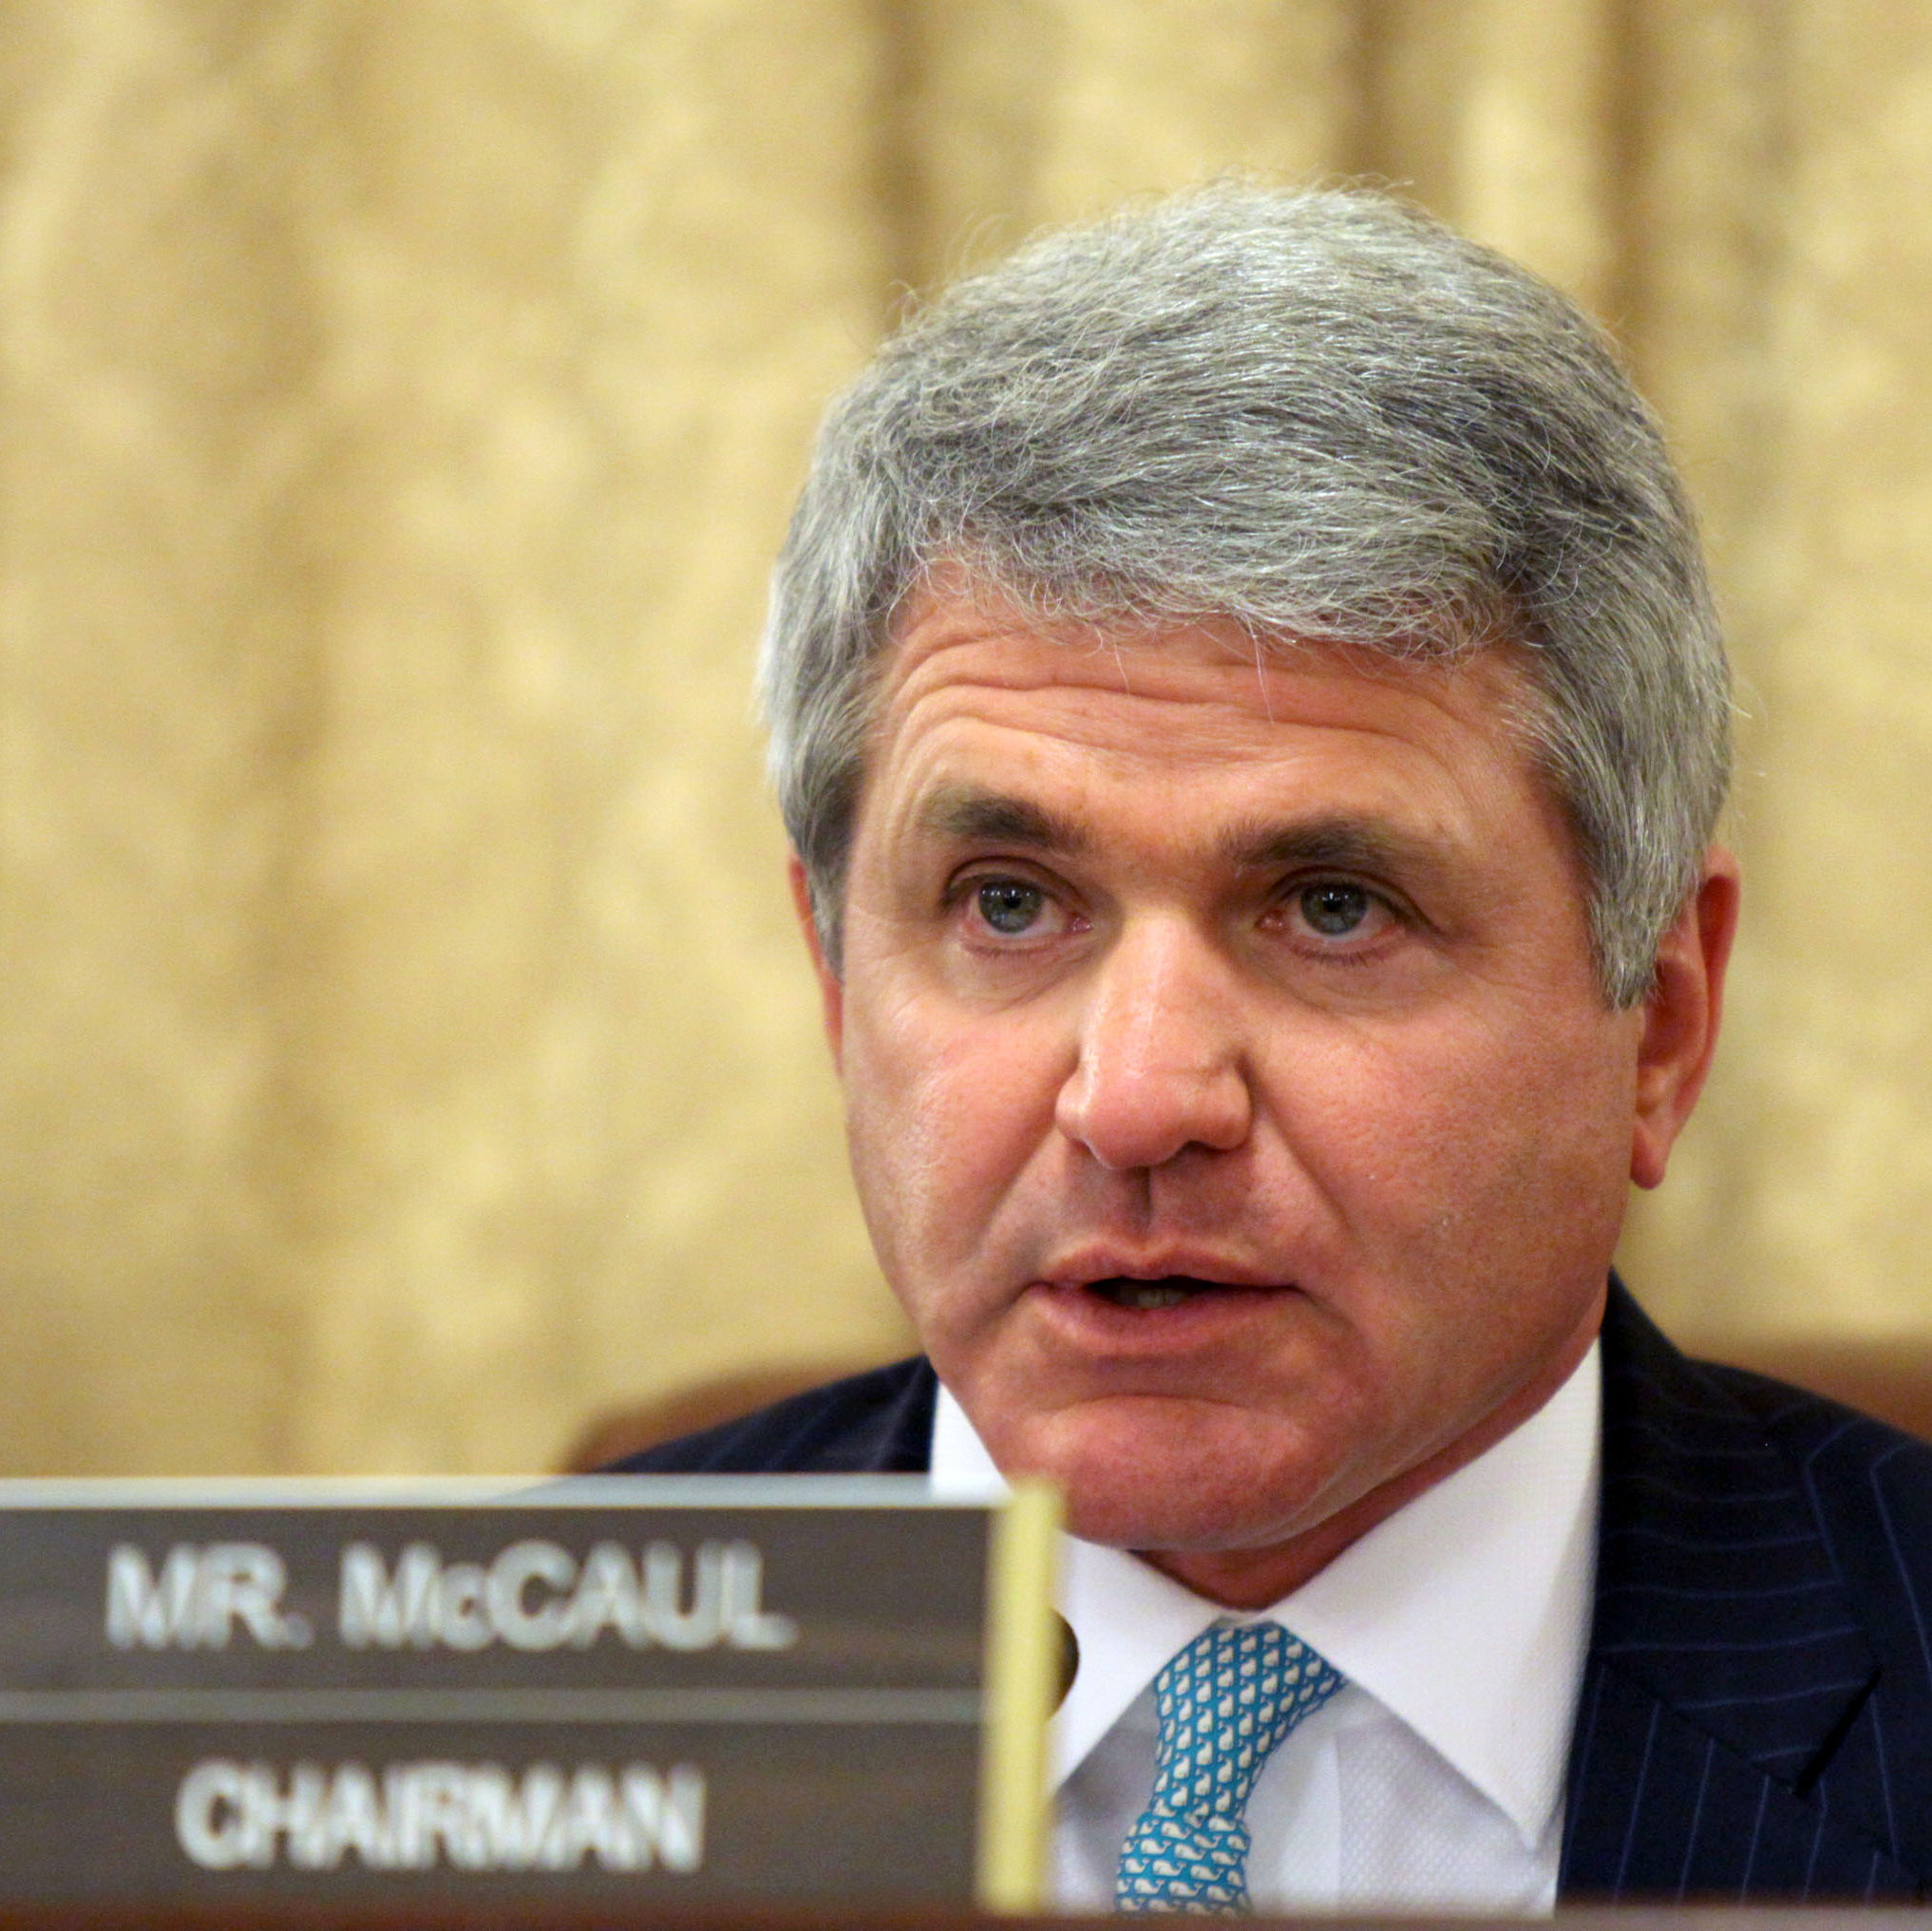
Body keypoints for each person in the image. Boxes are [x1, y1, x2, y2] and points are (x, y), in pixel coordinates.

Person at [617, 185, 1932, 1908]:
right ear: (837, 979)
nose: (1141, 1100)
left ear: (1658, 1028)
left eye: (1329, 907)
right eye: (1008, 904)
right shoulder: (494, 1708)